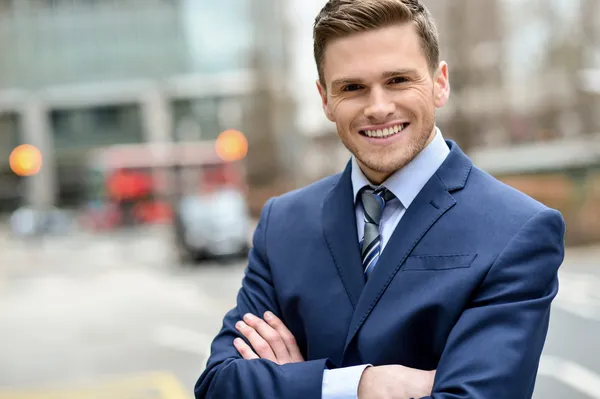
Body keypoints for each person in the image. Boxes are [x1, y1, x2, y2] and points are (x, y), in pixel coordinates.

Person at [194, 0, 566, 398]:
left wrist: (295, 385)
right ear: (324, 99)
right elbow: (219, 385)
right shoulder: (282, 224)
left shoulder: (518, 230)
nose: (378, 108)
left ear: (439, 82)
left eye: (398, 80)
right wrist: (356, 386)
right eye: (353, 88)